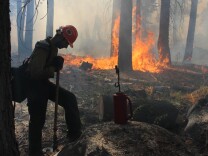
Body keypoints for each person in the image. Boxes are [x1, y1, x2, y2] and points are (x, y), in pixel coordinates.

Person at [25, 25, 82, 156]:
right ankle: (34, 152)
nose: (66, 46)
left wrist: (54, 66)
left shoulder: (53, 48)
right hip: (34, 87)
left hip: (43, 84)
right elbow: (35, 72)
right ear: (62, 37)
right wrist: (52, 68)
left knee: (69, 98)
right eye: (66, 43)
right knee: (37, 120)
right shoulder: (43, 47)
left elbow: (45, 70)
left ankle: (74, 135)